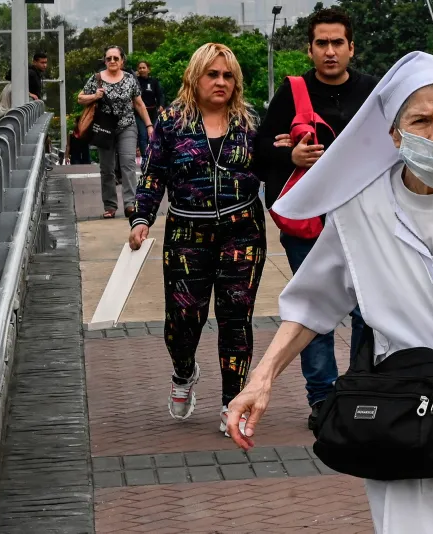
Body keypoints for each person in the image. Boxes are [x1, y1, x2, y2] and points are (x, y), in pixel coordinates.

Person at [227, 51, 433, 533]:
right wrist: (262, 377)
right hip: (402, 411)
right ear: (394, 133)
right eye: (421, 120)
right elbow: (311, 304)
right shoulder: (359, 206)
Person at [128, 43, 266, 436]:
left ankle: (232, 404)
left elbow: (271, 171)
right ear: (196, 76)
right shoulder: (172, 121)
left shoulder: (251, 122)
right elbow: (153, 173)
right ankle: (184, 371)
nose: (221, 82)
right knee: (183, 320)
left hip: (243, 232)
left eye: (227, 75)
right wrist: (142, 218)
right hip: (188, 234)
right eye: (213, 74)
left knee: (236, 319)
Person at [257, 7, 378, 432]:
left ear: (351, 48)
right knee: (313, 310)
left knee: (369, 308)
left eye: (337, 43)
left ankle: (361, 386)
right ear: (310, 49)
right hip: (310, 221)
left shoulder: (372, 91)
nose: (330, 52)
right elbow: (257, 153)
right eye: (322, 44)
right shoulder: (292, 92)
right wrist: (289, 155)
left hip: (364, 218)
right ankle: (322, 397)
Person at [78, 46, 153, 219]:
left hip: (127, 126)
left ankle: (130, 204)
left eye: (116, 58)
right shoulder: (96, 79)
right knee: (107, 168)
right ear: (104, 61)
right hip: (105, 129)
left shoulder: (129, 79)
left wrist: (149, 126)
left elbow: (139, 103)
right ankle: (110, 205)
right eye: (109, 58)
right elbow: (81, 98)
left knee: (128, 163)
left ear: (122, 61)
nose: (112, 61)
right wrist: (95, 96)